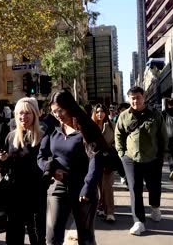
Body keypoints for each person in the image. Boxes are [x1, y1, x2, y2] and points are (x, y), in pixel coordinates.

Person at [38, 90, 105, 245]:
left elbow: (96, 158)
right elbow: (41, 156)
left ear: (69, 107)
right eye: (54, 112)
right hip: (59, 187)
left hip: (83, 188)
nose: (58, 115)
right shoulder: (52, 128)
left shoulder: (86, 127)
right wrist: (51, 170)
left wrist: (88, 186)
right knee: (52, 238)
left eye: (60, 110)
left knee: (86, 238)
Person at [115, 86, 168, 236]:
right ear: (129, 99)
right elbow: (118, 135)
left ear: (143, 97)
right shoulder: (124, 116)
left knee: (154, 186)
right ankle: (139, 221)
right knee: (134, 189)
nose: (135, 100)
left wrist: (162, 156)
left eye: (137, 97)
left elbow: (163, 136)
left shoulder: (155, 115)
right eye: (132, 98)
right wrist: (121, 153)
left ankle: (155, 207)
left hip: (152, 158)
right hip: (131, 159)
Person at [0, 97, 46, 244]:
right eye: (20, 113)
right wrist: (1, 159)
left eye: (27, 113)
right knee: (14, 236)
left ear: (35, 114)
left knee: (37, 236)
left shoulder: (43, 136)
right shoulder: (11, 136)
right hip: (14, 194)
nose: (23, 117)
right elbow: (5, 166)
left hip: (36, 195)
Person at [91, 104, 117, 222]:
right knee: (99, 186)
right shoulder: (91, 126)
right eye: (97, 112)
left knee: (107, 186)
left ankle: (110, 212)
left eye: (102, 111)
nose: (99, 114)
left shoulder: (112, 125)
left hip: (108, 160)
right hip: (94, 160)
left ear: (106, 113)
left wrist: (112, 150)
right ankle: (101, 206)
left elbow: (117, 141)